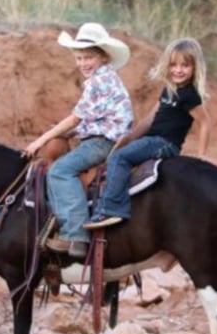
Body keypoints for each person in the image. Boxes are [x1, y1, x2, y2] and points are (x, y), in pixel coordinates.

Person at [23, 22, 134, 259]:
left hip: (101, 142)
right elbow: (88, 120)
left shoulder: (98, 81)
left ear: (103, 57)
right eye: (79, 58)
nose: (83, 63)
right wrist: (65, 133)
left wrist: (40, 140)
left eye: (89, 57)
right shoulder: (107, 77)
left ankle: (75, 235)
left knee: (60, 171)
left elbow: (75, 118)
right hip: (102, 136)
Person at [83, 37, 212, 230]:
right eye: (173, 65)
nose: (178, 70)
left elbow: (205, 123)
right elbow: (149, 120)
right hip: (151, 139)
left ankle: (112, 209)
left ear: (195, 68)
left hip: (164, 143)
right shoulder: (169, 90)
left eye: (185, 65)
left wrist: (202, 155)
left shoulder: (189, 95)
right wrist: (128, 138)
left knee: (120, 158)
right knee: (118, 152)